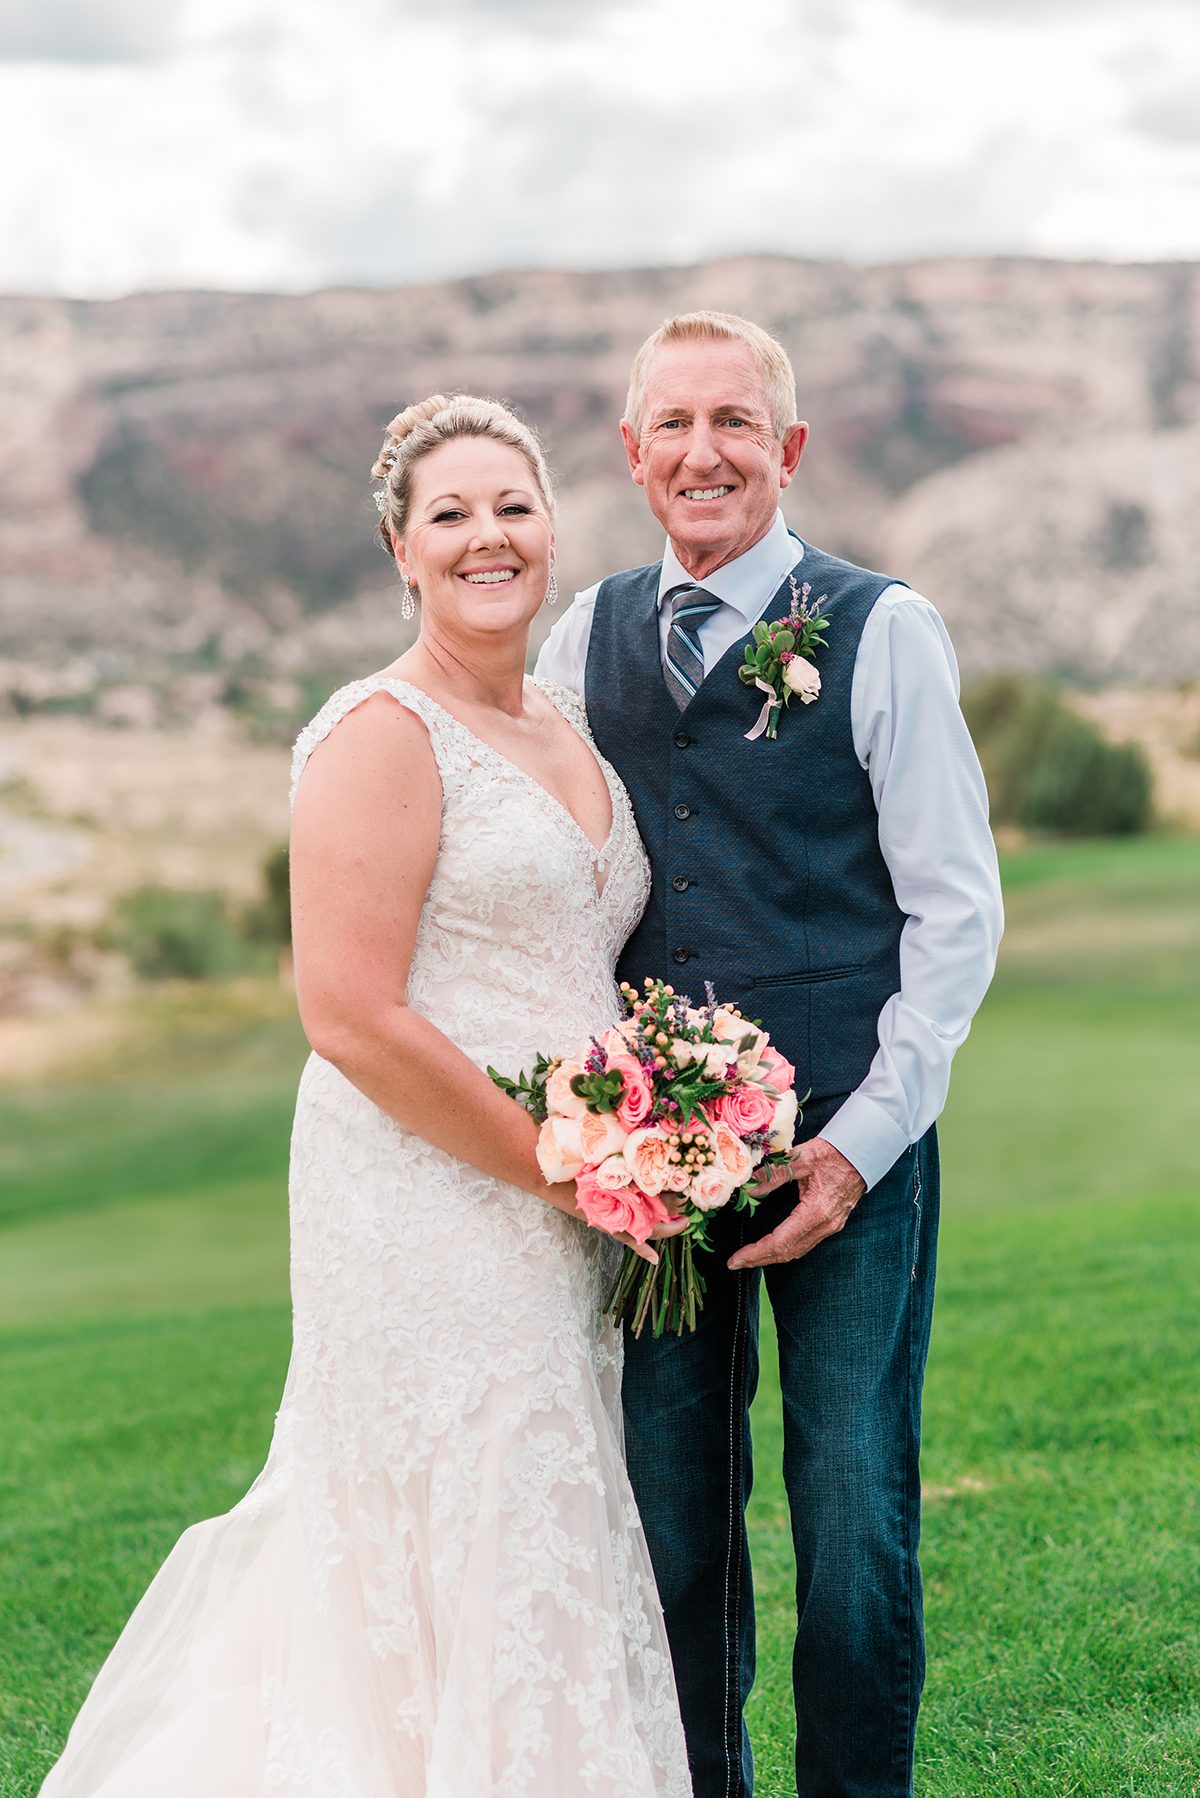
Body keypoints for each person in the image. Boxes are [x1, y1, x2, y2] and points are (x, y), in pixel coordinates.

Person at [40, 395, 692, 1798]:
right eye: (449, 514)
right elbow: (350, 1014)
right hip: (429, 1196)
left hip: (571, 1205)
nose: (487, 537)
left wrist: (651, 1138)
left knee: (540, 1514)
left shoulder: (571, 728)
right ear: (401, 549)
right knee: (460, 1513)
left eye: (510, 506)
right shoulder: (378, 731)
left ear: (554, 524)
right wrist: (569, 1168)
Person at [536, 311, 1004, 1798]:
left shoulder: (882, 629)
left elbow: (957, 914)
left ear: (788, 451)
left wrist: (858, 1146)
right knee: (672, 1523)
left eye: (736, 421)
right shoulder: (577, 641)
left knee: (855, 1511)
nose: (703, 451)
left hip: (846, 1144)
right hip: (655, 1171)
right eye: (672, 425)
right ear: (630, 455)